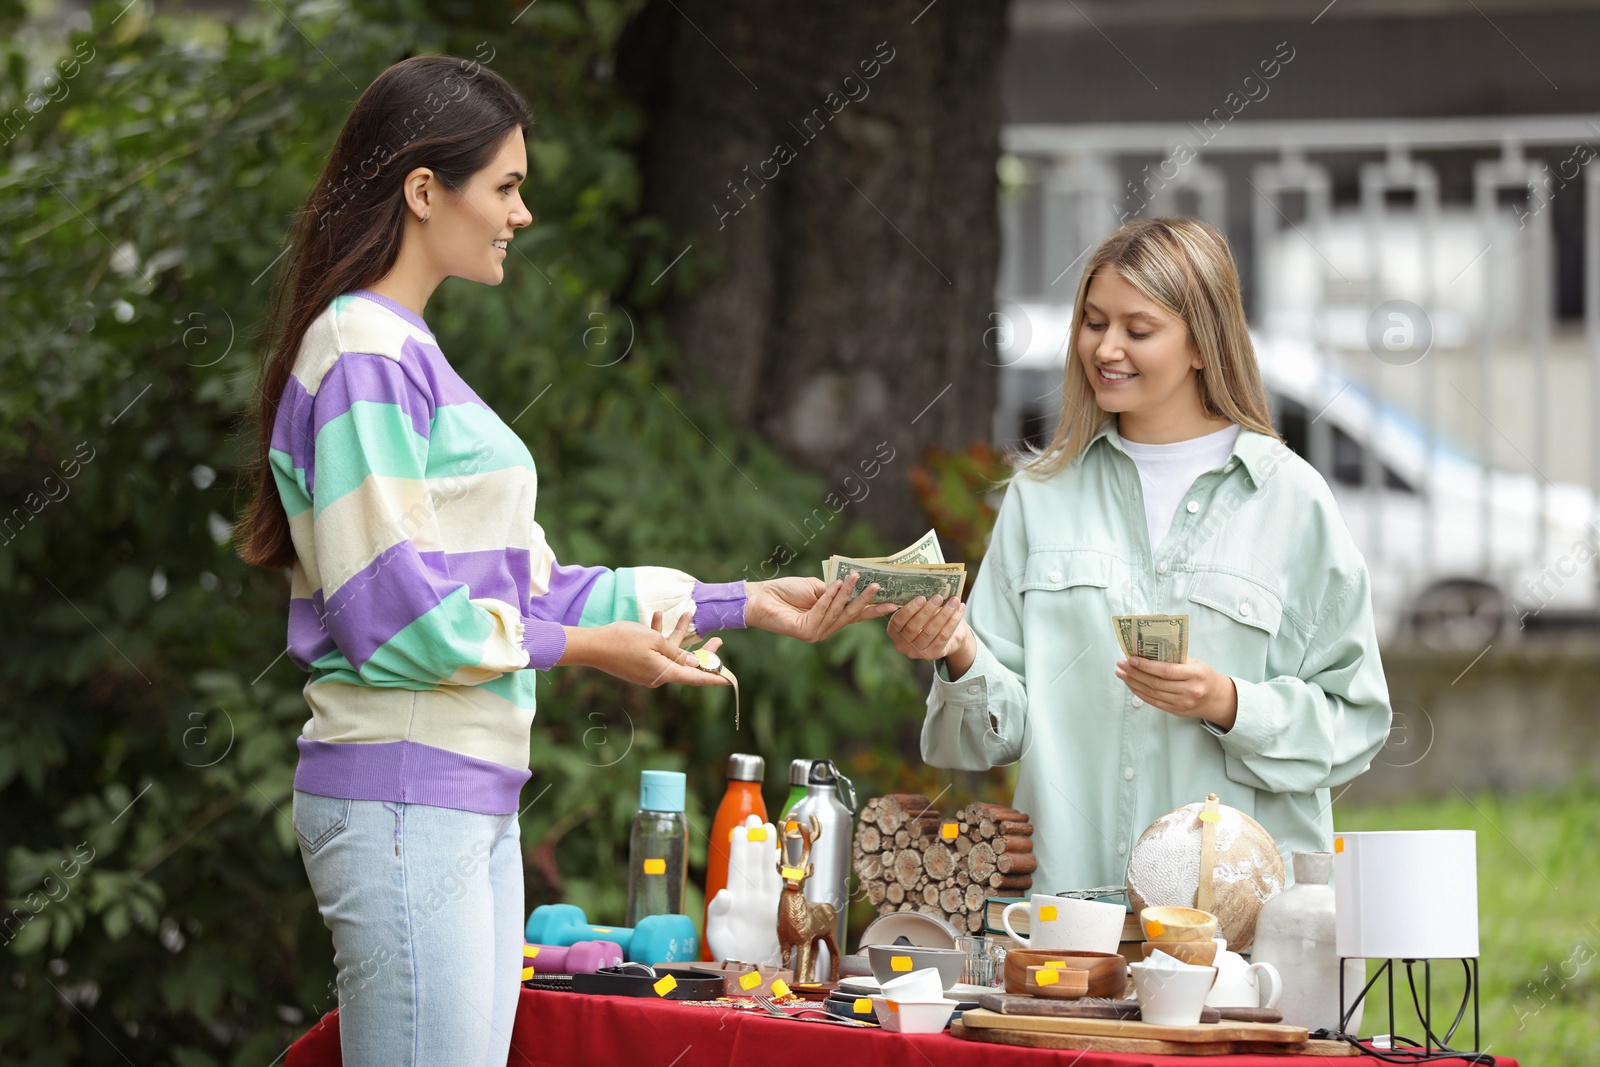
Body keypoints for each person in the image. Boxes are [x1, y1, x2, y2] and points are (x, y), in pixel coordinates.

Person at [235, 56, 893, 1067]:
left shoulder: (402, 351)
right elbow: (394, 617)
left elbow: (527, 590)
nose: (522, 212)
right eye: (504, 185)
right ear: (424, 191)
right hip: (408, 799)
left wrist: (746, 603)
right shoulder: (363, 350)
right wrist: (592, 650)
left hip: (459, 803)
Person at [886, 217, 1392, 894]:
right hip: (1071, 918)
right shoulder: (1040, 496)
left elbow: (1356, 724)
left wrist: (1228, 701)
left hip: (1239, 935)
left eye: (1138, 328)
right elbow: (984, 739)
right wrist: (957, 651)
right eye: (1094, 322)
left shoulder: (1293, 502)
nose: (1106, 347)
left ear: (1202, 345)